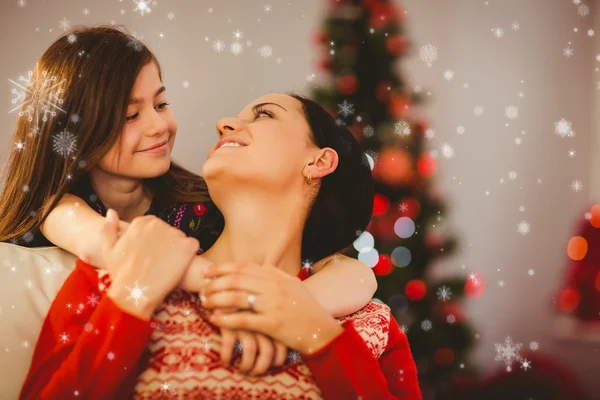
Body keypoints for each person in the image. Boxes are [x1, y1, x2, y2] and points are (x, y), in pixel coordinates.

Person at [0, 25, 376, 383]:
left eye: (161, 103)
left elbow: (351, 272)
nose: (159, 125)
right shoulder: (58, 212)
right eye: (131, 115)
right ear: (76, 135)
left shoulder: (202, 206)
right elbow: (115, 246)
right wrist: (244, 300)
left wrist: (290, 308)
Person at [21, 93, 422, 399]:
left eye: (263, 114)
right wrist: (131, 301)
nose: (224, 123)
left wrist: (316, 333)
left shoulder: (369, 323)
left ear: (318, 162)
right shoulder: (122, 268)